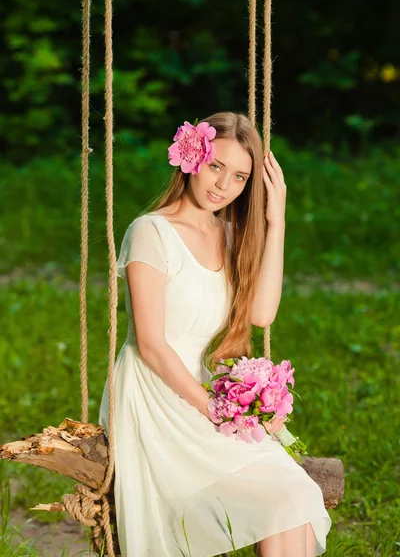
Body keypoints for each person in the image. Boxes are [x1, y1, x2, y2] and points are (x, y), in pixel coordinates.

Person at [98, 112, 332, 557]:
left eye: (240, 176)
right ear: (191, 158)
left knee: (296, 494)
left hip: (201, 391)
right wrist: (215, 409)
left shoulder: (228, 235)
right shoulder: (151, 231)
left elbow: (262, 313)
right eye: (216, 167)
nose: (224, 185)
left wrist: (276, 222)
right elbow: (151, 345)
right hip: (155, 392)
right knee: (282, 497)